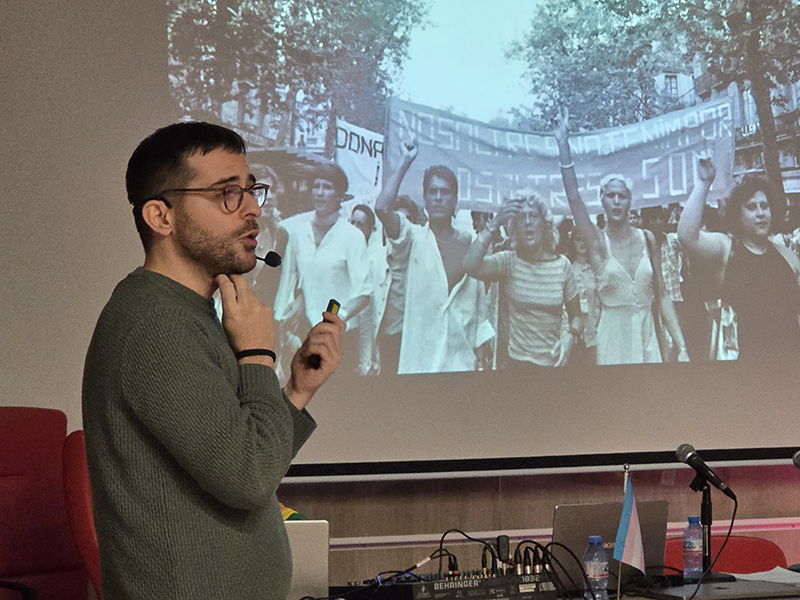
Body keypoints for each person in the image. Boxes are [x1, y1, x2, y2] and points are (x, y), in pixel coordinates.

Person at [82, 122, 345, 600]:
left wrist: (297, 391)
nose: (252, 211)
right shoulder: (154, 324)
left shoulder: (187, 312)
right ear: (161, 216)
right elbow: (249, 479)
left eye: (251, 190)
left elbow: (246, 460)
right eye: (227, 194)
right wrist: (257, 355)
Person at [554, 108, 688, 364]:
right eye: (611, 195)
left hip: (649, 338)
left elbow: (662, 296)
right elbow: (573, 197)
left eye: (622, 196)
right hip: (612, 341)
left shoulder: (648, 239)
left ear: (630, 201)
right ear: (602, 200)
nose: (616, 201)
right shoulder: (597, 243)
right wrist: (564, 147)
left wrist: (680, 345)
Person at [374, 137, 494, 374]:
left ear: (455, 200)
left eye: (445, 192)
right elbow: (382, 209)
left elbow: (479, 306)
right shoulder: (412, 239)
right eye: (433, 191)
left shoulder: (470, 243)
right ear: (425, 200)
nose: (438, 197)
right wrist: (405, 161)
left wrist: (482, 346)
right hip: (420, 359)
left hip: (461, 358)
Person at [677, 158, 800, 360]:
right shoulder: (726, 249)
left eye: (764, 206)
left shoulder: (788, 257)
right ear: (737, 214)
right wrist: (704, 183)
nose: (760, 213)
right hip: (744, 366)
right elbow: (687, 236)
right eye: (751, 207)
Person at [273, 163, 371, 374]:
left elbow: (364, 293)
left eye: (326, 187)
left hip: (341, 335)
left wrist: (335, 317)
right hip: (304, 333)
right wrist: (281, 324)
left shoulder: (352, 237)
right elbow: (289, 283)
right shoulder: (298, 234)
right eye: (316, 186)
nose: (319, 193)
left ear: (340, 195)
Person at [464, 194, 583, 367]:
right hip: (517, 366)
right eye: (521, 217)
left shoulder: (562, 265)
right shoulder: (508, 262)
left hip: (554, 364)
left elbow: (577, 317)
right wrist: (495, 222)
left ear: (544, 224)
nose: (527, 222)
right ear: (514, 227)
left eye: (534, 216)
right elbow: (469, 265)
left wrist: (570, 337)